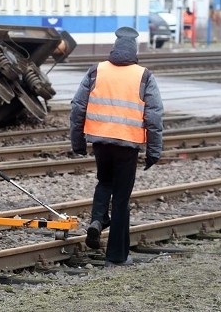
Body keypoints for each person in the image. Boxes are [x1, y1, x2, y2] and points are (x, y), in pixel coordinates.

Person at [70, 26, 163, 266]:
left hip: (100, 142)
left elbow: (78, 107)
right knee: (121, 198)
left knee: (104, 182)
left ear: (114, 47)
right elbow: (153, 116)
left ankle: (97, 220)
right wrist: (154, 151)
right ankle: (117, 255)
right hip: (127, 145)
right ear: (135, 49)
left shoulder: (97, 70)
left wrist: (78, 141)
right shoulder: (144, 76)